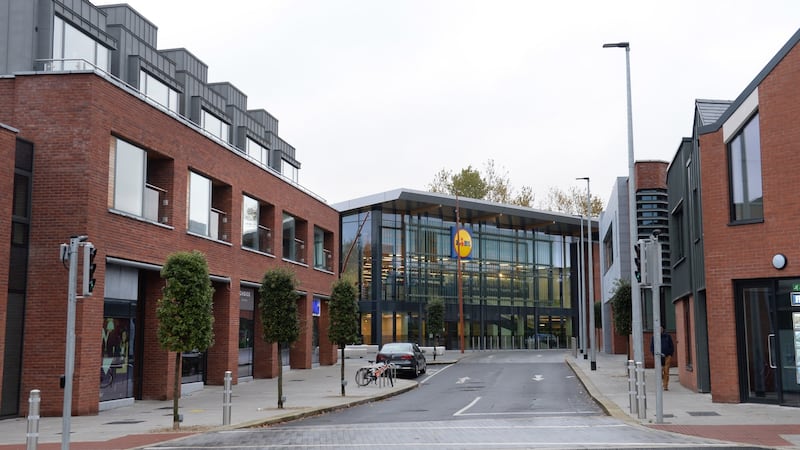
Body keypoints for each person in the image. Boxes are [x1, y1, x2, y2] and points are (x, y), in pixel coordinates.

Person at [650, 326, 674, 390]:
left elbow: (671, 346)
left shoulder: (667, 336)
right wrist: (654, 354)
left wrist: (670, 354)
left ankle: (665, 385)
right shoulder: (654, 337)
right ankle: (662, 380)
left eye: (660, 329)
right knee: (659, 371)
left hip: (667, 356)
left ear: (662, 330)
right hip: (658, 357)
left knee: (666, 371)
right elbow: (652, 347)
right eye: (658, 330)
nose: (659, 331)